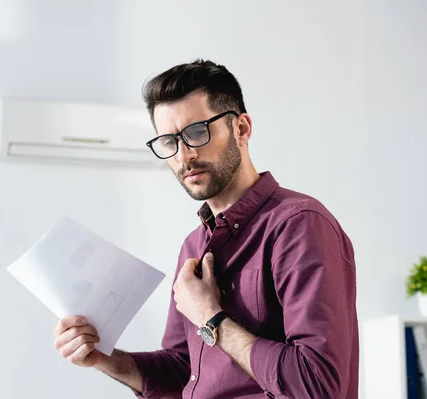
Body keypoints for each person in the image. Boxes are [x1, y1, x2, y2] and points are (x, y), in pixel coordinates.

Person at [53, 59, 359, 398]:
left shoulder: (299, 226)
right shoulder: (194, 246)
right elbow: (183, 371)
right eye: (169, 141)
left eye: (196, 132)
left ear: (241, 128)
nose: (184, 155)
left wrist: (211, 318)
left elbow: (318, 385)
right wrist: (103, 358)